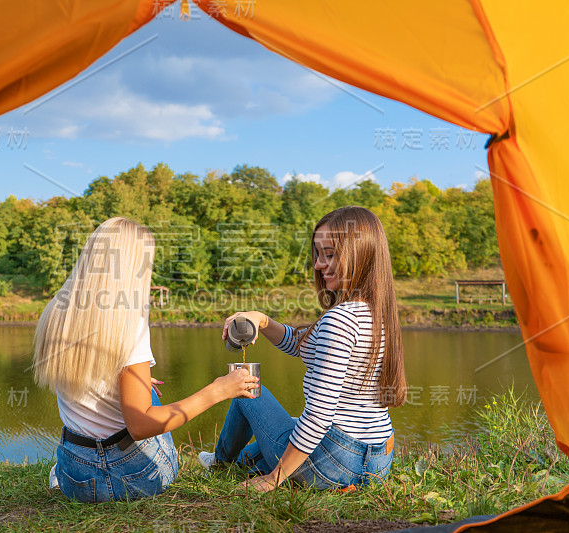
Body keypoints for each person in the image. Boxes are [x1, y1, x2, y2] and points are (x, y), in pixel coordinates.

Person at [33, 217, 258, 503]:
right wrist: (218, 390)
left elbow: (79, 374)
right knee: (151, 403)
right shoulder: (129, 323)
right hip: (136, 479)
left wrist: (123, 381)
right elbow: (140, 426)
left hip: (75, 477)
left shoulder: (56, 311)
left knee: (142, 391)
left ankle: (61, 472)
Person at [199, 206, 407, 492]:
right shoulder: (377, 314)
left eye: (330, 254)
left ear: (362, 255)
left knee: (245, 389)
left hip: (335, 464)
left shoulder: (340, 319)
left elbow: (320, 416)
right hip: (377, 462)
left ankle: (219, 465)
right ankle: (240, 464)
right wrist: (262, 320)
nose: (319, 265)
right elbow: (301, 344)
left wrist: (274, 480)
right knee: (290, 424)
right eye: (318, 254)